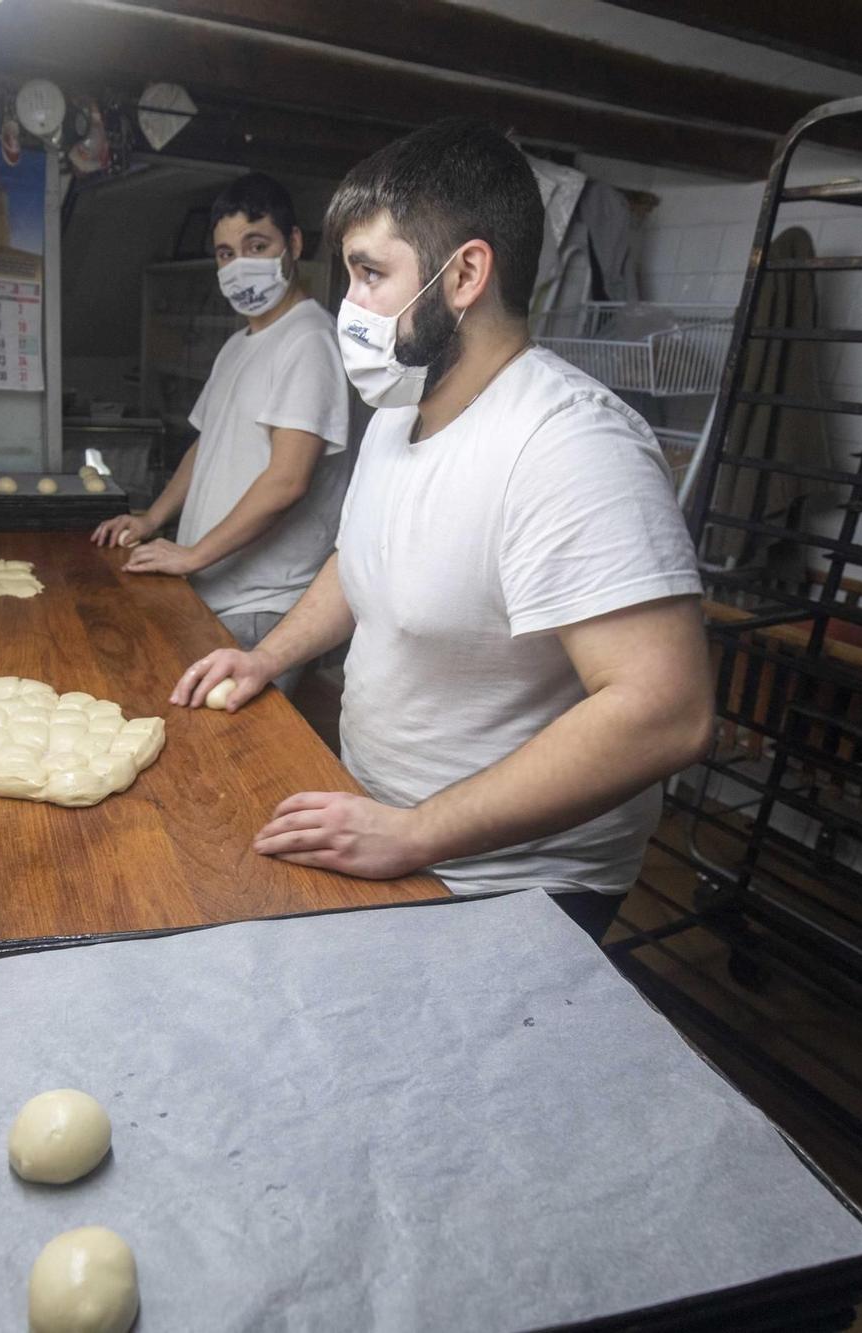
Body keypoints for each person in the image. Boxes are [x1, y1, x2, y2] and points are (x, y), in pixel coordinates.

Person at [168, 119, 714, 941]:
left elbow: (664, 710)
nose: (349, 307)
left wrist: (415, 832)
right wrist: (266, 655)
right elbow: (361, 559)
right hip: (385, 822)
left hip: (511, 881)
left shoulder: (569, 446)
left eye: (370, 274)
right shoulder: (401, 410)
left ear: (465, 275)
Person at [92, 173, 351, 695]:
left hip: (261, 605)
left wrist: (192, 554)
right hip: (212, 588)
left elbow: (287, 479)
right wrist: (153, 519)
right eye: (226, 253)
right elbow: (204, 445)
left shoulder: (309, 341)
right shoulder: (240, 345)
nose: (240, 266)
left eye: (258, 245)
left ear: (294, 245)